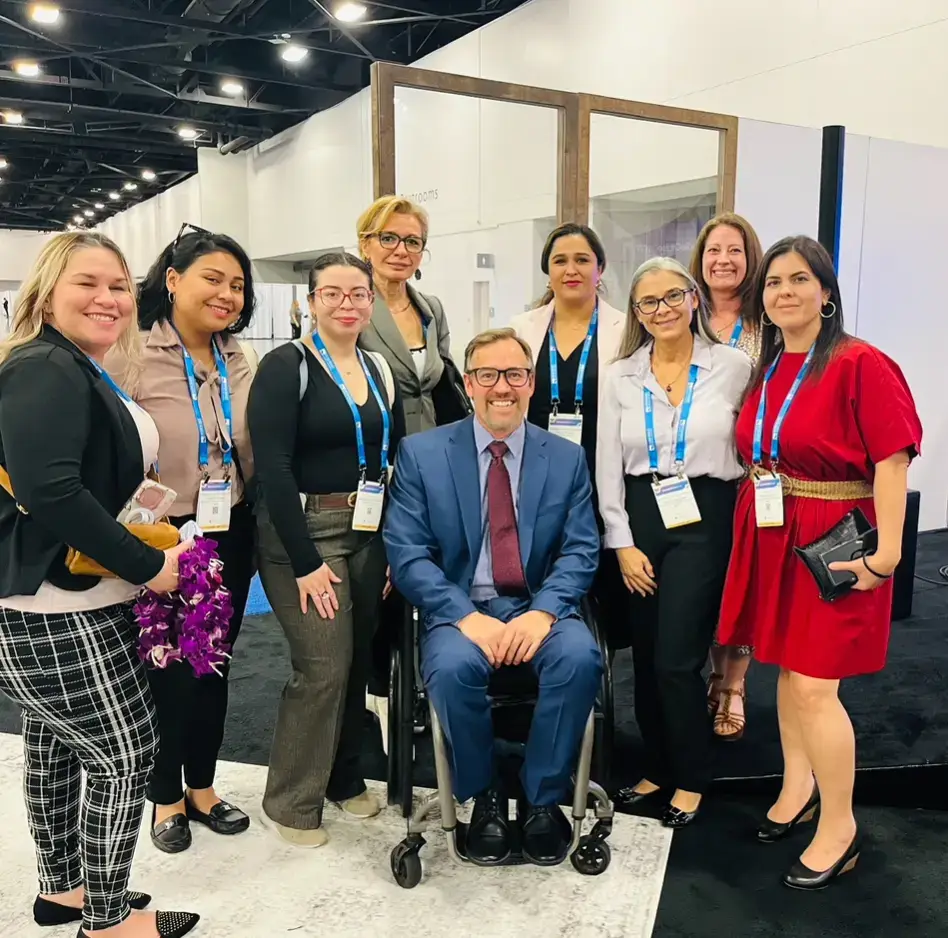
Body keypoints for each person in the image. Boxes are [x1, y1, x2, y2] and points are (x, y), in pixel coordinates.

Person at [0, 232, 198, 938]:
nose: (108, 298)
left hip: (70, 597)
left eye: (118, 285)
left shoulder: (75, 367)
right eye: (88, 283)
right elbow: (50, 491)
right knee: (123, 753)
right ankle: (111, 923)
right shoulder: (44, 367)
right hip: (61, 605)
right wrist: (152, 567)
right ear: (48, 291)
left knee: (55, 744)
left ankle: (65, 891)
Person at [717, 236, 921, 888]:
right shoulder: (769, 365)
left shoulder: (861, 363)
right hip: (775, 532)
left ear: (826, 293)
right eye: (773, 282)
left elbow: (893, 458)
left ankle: (841, 824)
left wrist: (888, 555)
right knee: (785, 671)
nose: (783, 292)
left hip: (833, 540)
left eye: (799, 279)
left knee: (813, 685)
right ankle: (797, 787)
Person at [384, 327, 603, 867]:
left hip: (540, 605)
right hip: (458, 611)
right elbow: (407, 553)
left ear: (531, 384)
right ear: (468, 382)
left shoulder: (567, 458)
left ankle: (541, 799)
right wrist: (463, 616)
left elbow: (580, 551)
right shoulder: (422, 454)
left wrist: (545, 612)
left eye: (514, 375)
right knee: (455, 670)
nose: (501, 387)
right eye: (487, 374)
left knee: (579, 658)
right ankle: (480, 797)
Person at [106, 224, 257, 854]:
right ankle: (163, 793)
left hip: (232, 530)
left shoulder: (240, 356)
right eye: (213, 279)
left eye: (237, 285)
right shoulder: (131, 350)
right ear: (172, 281)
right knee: (164, 666)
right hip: (166, 534)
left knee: (214, 663)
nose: (227, 294)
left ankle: (203, 785)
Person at [249, 252, 405, 848]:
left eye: (359, 294)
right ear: (311, 301)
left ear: (372, 300)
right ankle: (290, 800)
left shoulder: (376, 367)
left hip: (367, 527)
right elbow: (276, 469)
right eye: (333, 293)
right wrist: (307, 563)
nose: (348, 304)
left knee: (357, 662)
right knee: (321, 667)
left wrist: (390, 542)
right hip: (305, 532)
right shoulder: (286, 366)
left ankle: (341, 778)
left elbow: (390, 459)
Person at [597, 257, 751, 827]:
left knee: (677, 660)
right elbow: (606, 464)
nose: (661, 310)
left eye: (671, 297)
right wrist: (622, 542)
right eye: (647, 302)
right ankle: (657, 766)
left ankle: (691, 775)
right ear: (636, 312)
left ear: (693, 299)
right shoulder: (619, 375)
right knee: (644, 656)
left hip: (705, 517)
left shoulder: (731, 366)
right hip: (641, 517)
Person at [355, 195, 471, 736]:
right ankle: (379, 696)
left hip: (436, 458)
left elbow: (444, 383)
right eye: (389, 239)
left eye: (412, 241)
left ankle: (422, 686)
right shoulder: (354, 304)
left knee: (432, 571)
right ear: (366, 244)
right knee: (382, 576)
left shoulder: (431, 308)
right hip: (378, 457)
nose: (401, 250)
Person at [511, 223, 629, 655]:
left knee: (599, 572)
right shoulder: (523, 327)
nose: (571, 269)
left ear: (601, 269)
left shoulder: (626, 327)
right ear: (548, 270)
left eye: (582, 260)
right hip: (537, 471)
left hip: (602, 467)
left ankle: (594, 656)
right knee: (541, 563)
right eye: (560, 260)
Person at [690, 212, 764, 741]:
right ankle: (709, 673)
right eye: (713, 250)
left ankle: (733, 684)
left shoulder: (768, 323)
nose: (723, 260)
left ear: (749, 258)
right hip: (697, 475)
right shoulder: (684, 317)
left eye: (734, 250)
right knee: (709, 583)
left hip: (752, 476)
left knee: (744, 586)